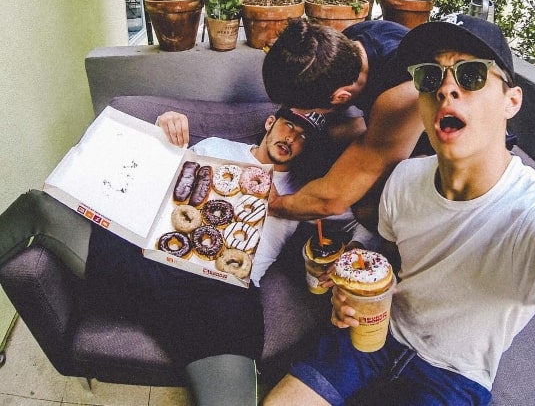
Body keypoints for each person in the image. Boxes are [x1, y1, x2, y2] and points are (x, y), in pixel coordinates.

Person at [262, 14, 535, 406]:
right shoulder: (404, 180)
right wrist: (362, 294)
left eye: (471, 75)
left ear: (511, 101)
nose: (447, 88)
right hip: (375, 335)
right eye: (431, 77)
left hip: (452, 377)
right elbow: (400, 266)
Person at [0, 106, 377, 406]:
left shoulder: (307, 190)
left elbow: (360, 215)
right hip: (151, 263)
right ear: (270, 122)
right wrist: (161, 126)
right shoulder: (215, 147)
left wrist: (342, 248)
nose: (291, 139)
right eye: (288, 126)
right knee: (40, 204)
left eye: (302, 137)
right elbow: (148, 172)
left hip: (222, 298)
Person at [262, 18, 425, 229]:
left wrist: (276, 204)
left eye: (310, 111)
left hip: (441, 151)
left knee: (366, 211)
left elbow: (330, 202)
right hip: (392, 122)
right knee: (326, 137)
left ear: (340, 97)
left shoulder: (401, 94)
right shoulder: (350, 44)